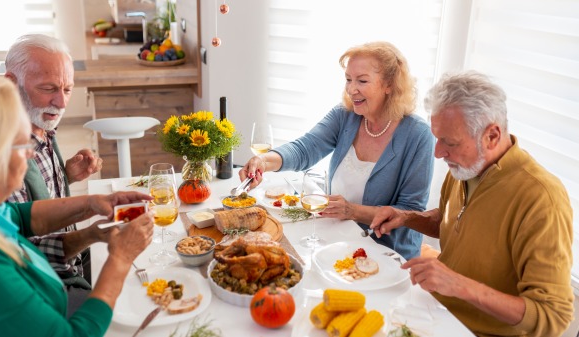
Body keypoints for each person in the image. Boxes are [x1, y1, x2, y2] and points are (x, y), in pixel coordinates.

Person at [370, 71, 574, 336]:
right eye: (437, 138)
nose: (438, 152)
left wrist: (459, 285)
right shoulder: (464, 169)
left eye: (450, 142)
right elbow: (449, 222)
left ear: (492, 135)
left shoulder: (542, 199)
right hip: (435, 314)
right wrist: (407, 217)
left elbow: (554, 315)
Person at [0, 76, 154, 336]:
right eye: (21, 143)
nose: (30, 152)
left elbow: (20, 216)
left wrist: (92, 203)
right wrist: (120, 259)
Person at [239, 41, 434, 259]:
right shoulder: (346, 115)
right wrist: (263, 162)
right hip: (336, 239)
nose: (351, 89)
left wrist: (352, 211)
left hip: (387, 254)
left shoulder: (418, 136)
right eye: (348, 79)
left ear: (389, 84)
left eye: (362, 80)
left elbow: (410, 212)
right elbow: (306, 148)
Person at [4, 34, 104, 313]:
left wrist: (65, 174)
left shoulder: (41, 127)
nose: (61, 103)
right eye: (48, 88)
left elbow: (30, 196)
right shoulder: (0, 153)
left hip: (72, 262)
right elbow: (23, 251)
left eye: (68, 89)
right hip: (45, 286)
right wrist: (90, 235)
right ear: (12, 83)